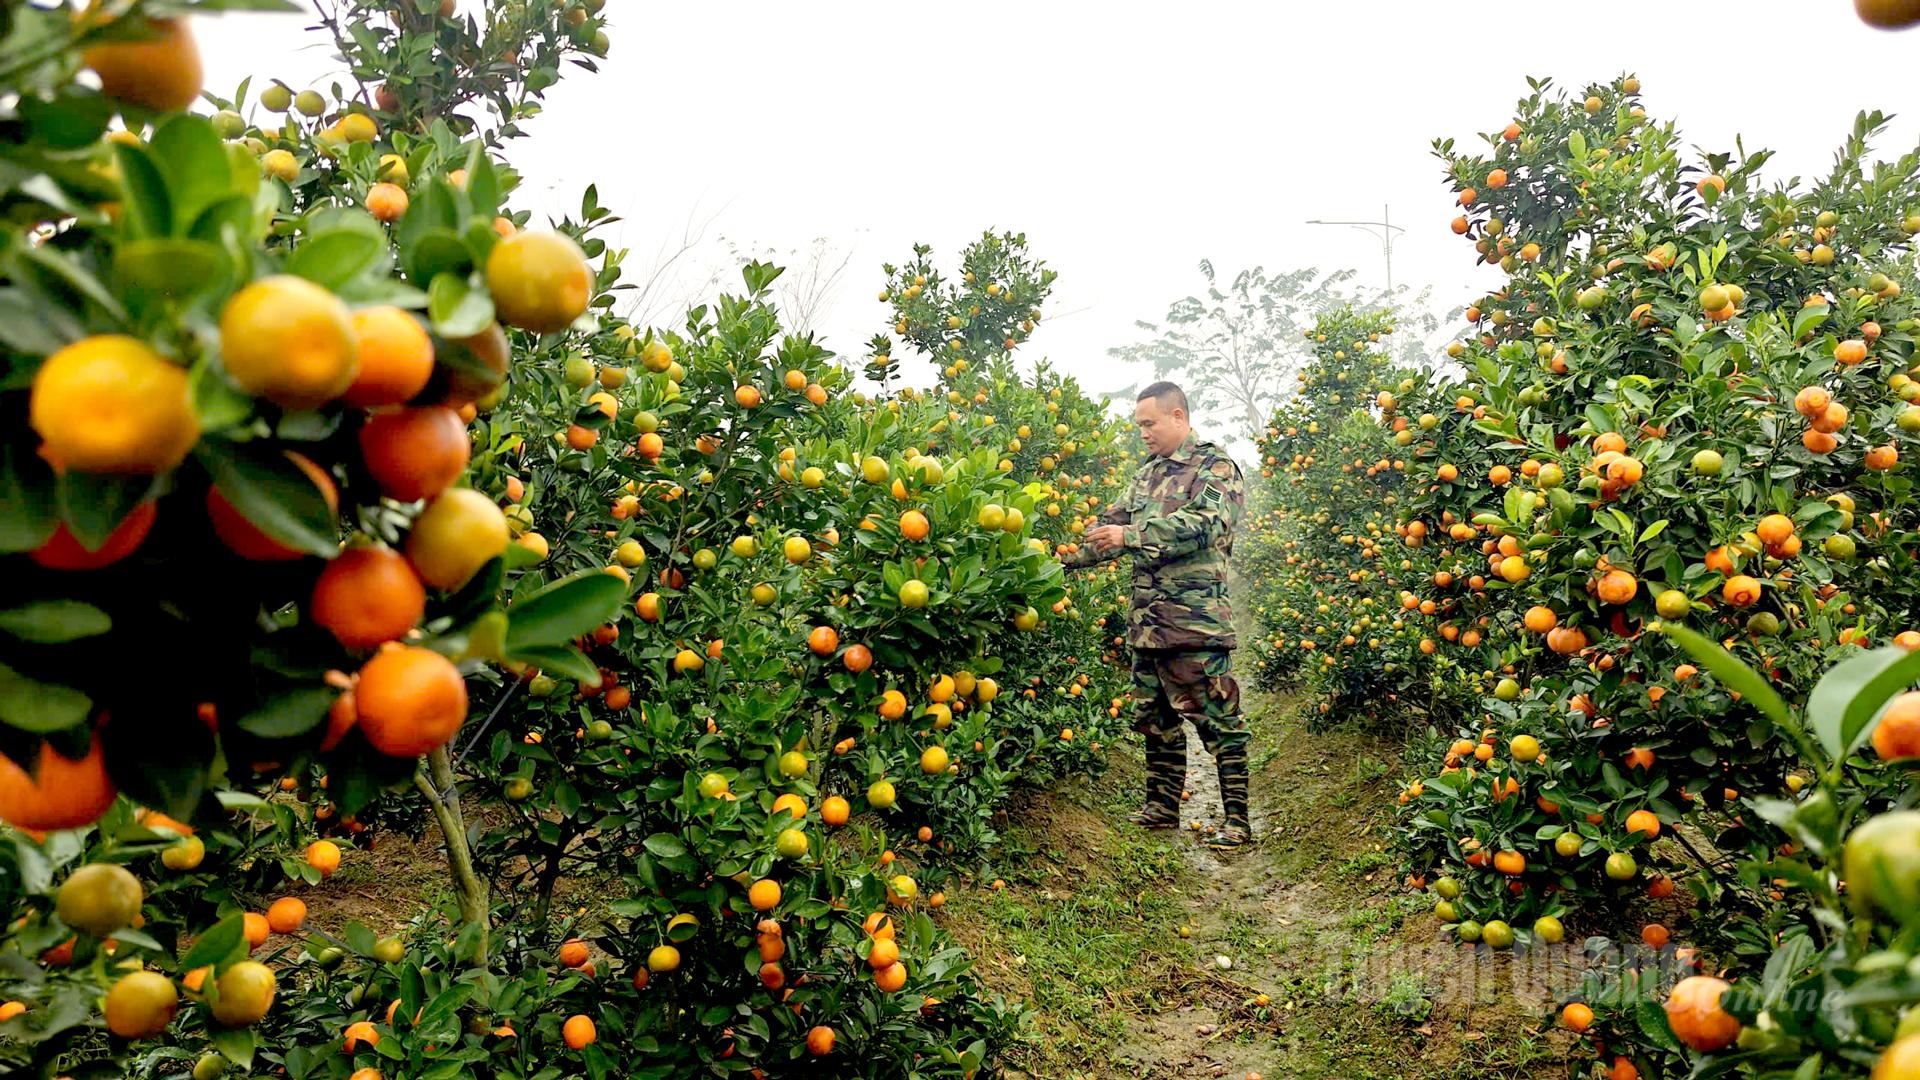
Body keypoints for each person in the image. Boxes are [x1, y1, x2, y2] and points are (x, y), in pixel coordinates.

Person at [1062, 381, 1250, 848]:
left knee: (1217, 720)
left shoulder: (1215, 466)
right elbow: (1109, 531)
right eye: (1139, 425)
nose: (1142, 433)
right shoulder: (1147, 476)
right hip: (1147, 625)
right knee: (1155, 720)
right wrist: (1049, 558)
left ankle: (1238, 821)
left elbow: (1206, 525)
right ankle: (1162, 808)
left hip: (1195, 624)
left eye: (1149, 423)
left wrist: (1131, 536)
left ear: (1178, 418)